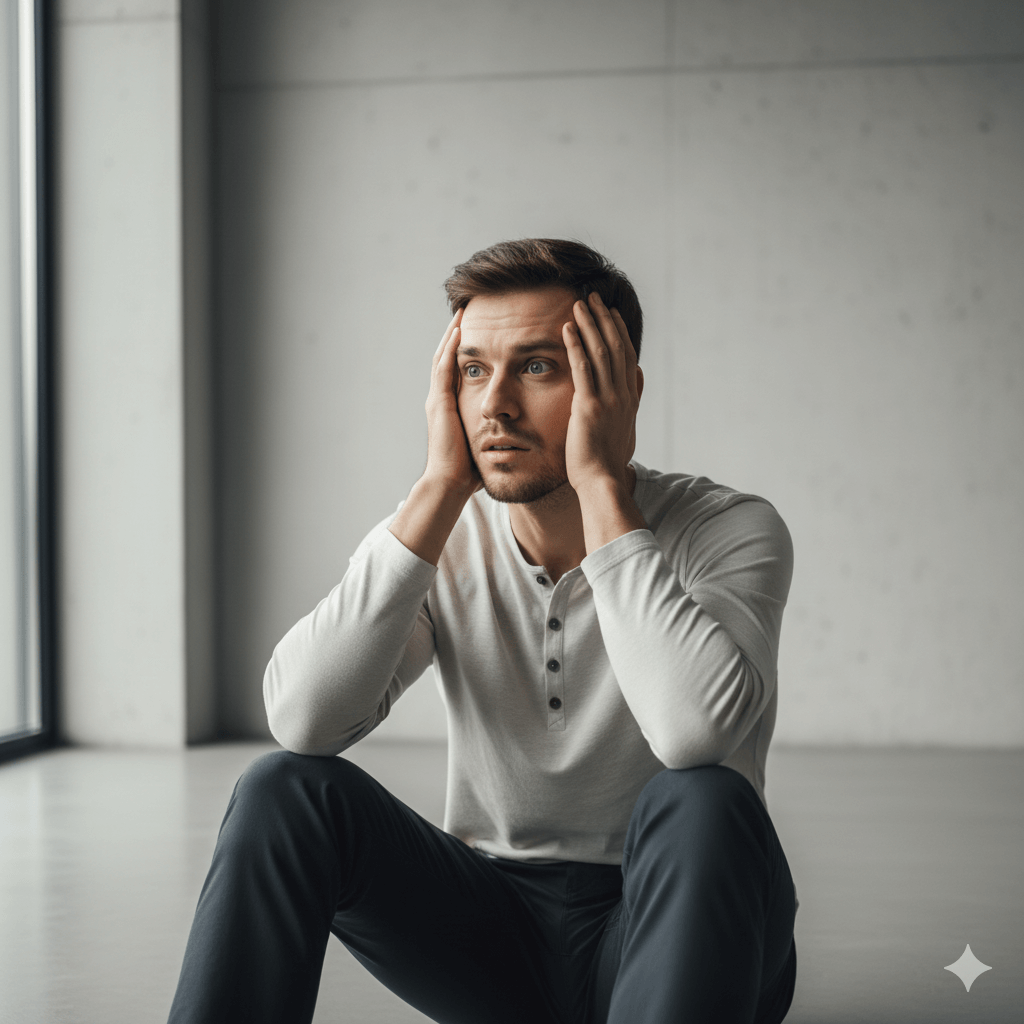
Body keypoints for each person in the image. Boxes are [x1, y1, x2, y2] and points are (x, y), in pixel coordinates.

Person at [168, 238, 798, 1024]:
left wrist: (601, 482)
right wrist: (438, 487)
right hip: (494, 934)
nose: (495, 405)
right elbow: (302, 719)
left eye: (537, 367)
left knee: (705, 799)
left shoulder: (730, 529)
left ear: (621, 389)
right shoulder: (443, 535)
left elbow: (693, 735)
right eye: (473, 371)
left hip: (676, 917)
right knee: (282, 789)